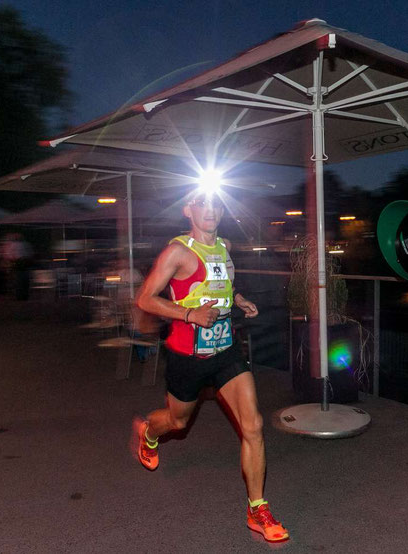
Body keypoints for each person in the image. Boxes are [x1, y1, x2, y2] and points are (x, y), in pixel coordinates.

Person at [133, 190, 289, 543]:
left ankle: (257, 508)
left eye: (216, 204)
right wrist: (188, 314)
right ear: (188, 209)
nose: (211, 210)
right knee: (177, 421)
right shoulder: (178, 252)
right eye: (202, 203)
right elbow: (144, 298)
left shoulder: (225, 247)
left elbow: (222, 287)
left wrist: (240, 299)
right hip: (187, 357)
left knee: (254, 425)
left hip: (226, 353)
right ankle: (148, 433)